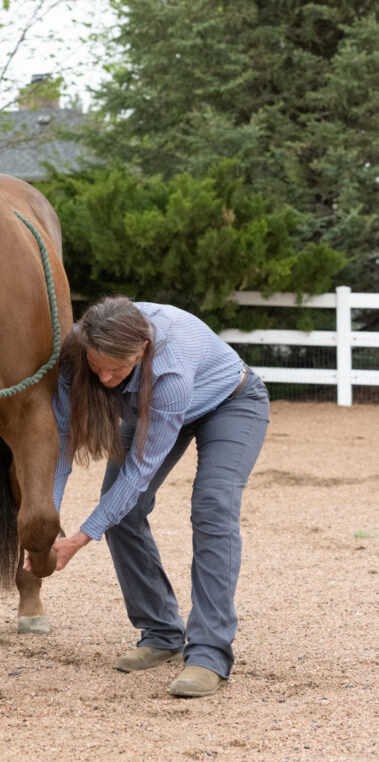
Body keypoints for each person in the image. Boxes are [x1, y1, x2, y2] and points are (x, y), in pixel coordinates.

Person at [27, 296, 270, 698]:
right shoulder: (78, 351)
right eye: (97, 366)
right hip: (148, 412)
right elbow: (62, 441)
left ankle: (209, 654)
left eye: (116, 370)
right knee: (121, 512)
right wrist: (45, 518)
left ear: (141, 350)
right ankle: (160, 632)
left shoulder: (169, 370)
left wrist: (80, 539)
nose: (104, 379)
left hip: (230, 403)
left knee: (212, 507)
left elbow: (139, 472)